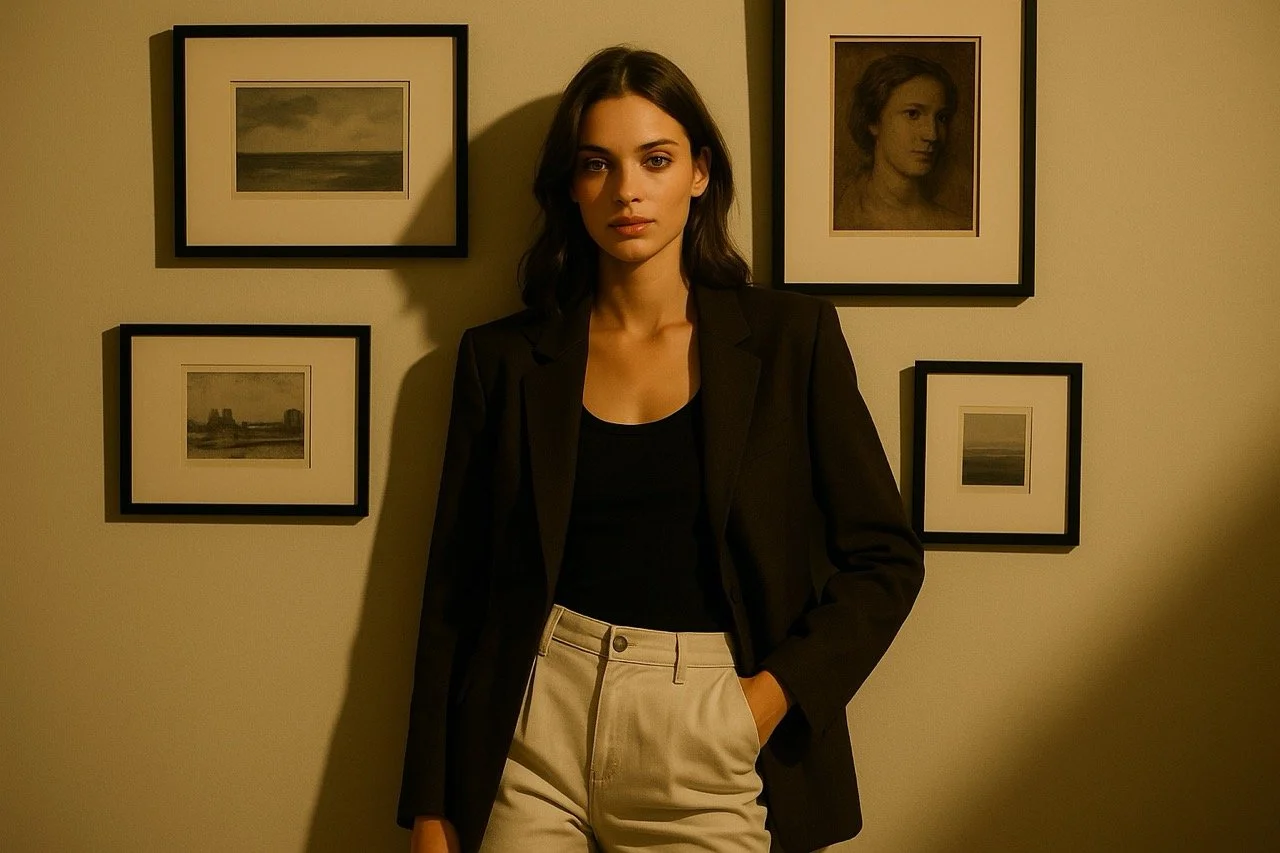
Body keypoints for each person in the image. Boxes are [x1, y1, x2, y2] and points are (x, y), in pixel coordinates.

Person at [397, 46, 924, 853]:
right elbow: (451, 592)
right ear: (571, 188)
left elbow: (884, 558)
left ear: (700, 172)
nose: (627, 190)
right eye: (596, 165)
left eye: (655, 158)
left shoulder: (791, 340)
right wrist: (431, 809)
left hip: (706, 724)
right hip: (531, 722)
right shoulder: (501, 360)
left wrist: (764, 699)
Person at [834, 53, 971, 231]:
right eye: (913, 114)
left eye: (941, 118)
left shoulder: (957, 226)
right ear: (874, 121)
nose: (932, 135)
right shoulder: (845, 215)